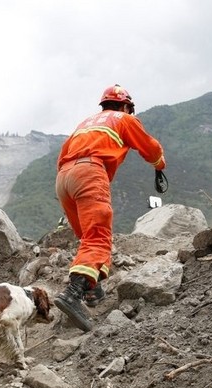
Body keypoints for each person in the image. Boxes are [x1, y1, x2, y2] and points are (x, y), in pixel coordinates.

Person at [54, 84, 166, 332]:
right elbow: (150, 147)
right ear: (125, 106)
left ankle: (92, 289)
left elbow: (62, 157)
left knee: (86, 236)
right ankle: (73, 292)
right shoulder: (124, 119)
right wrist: (159, 165)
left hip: (64, 178)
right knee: (97, 237)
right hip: (90, 172)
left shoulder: (85, 123)